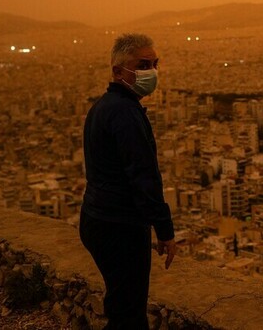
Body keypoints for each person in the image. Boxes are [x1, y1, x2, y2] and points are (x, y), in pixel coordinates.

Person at [80, 33, 177, 329]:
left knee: (122, 305)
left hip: (97, 218)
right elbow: (144, 177)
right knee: (130, 314)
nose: (151, 71)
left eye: (155, 64)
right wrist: (165, 230)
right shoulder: (124, 113)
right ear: (118, 71)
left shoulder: (104, 106)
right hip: (119, 226)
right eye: (143, 65)